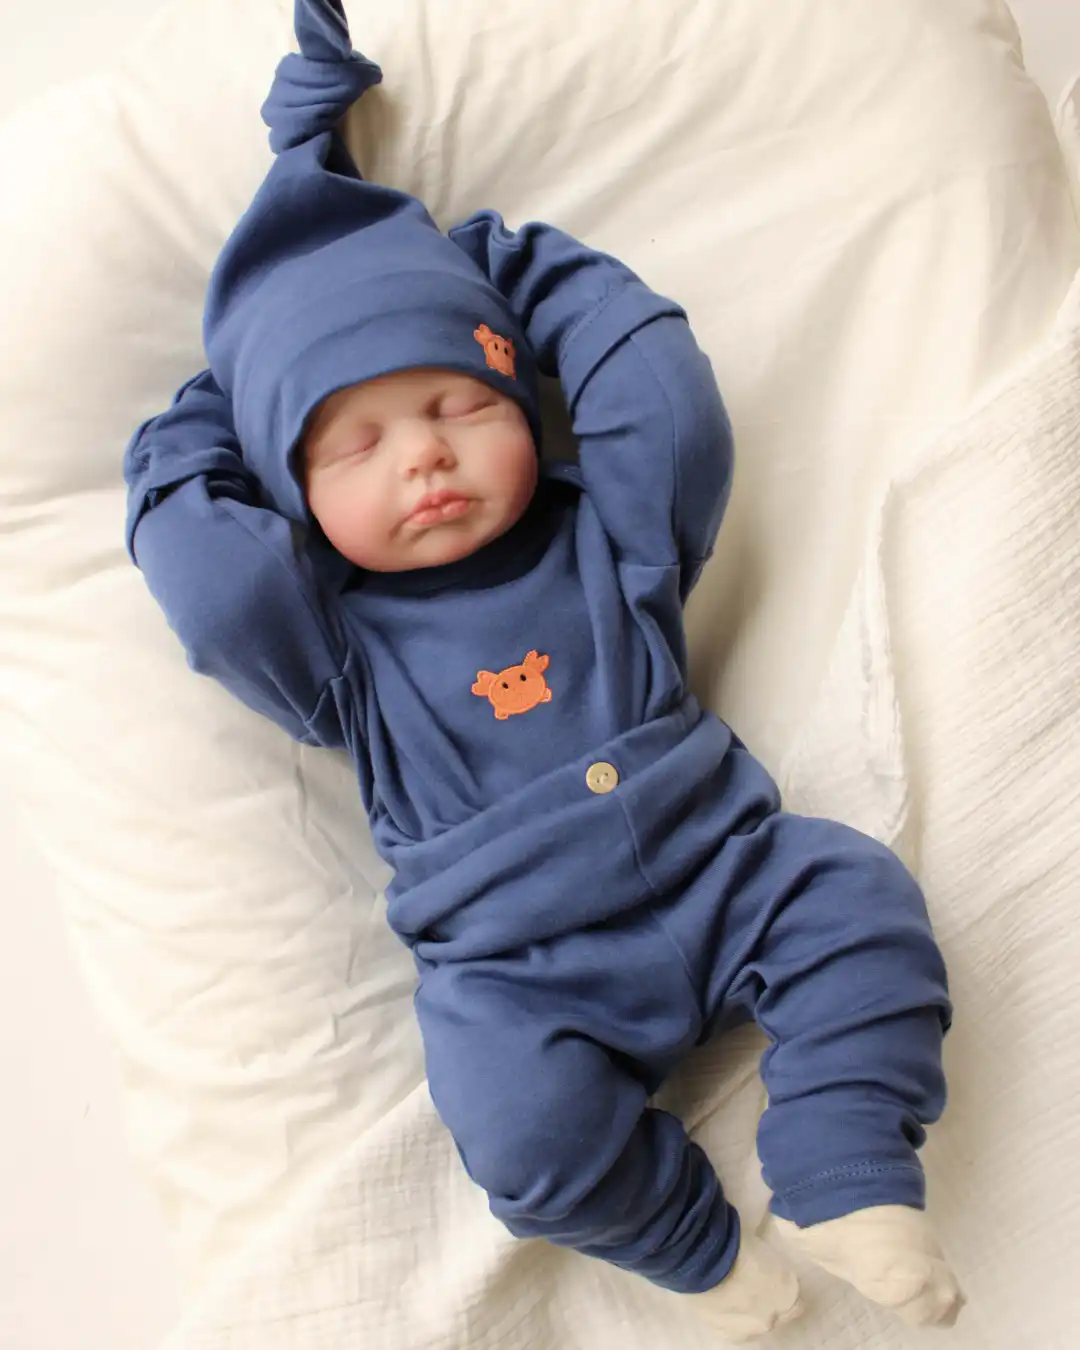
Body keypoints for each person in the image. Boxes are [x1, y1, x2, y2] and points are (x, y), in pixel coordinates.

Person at [123, 0, 964, 1338]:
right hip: (521, 971)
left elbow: (662, 388)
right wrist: (224, 392)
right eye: (355, 445)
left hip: (726, 869)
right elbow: (204, 573)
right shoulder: (335, 647)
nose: (424, 455)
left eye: (460, 404)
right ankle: (691, 1244)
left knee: (862, 910)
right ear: (290, 498)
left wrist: (510, 268)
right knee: (518, 1132)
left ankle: (847, 1159)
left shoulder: (608, 533)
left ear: (519, 394)